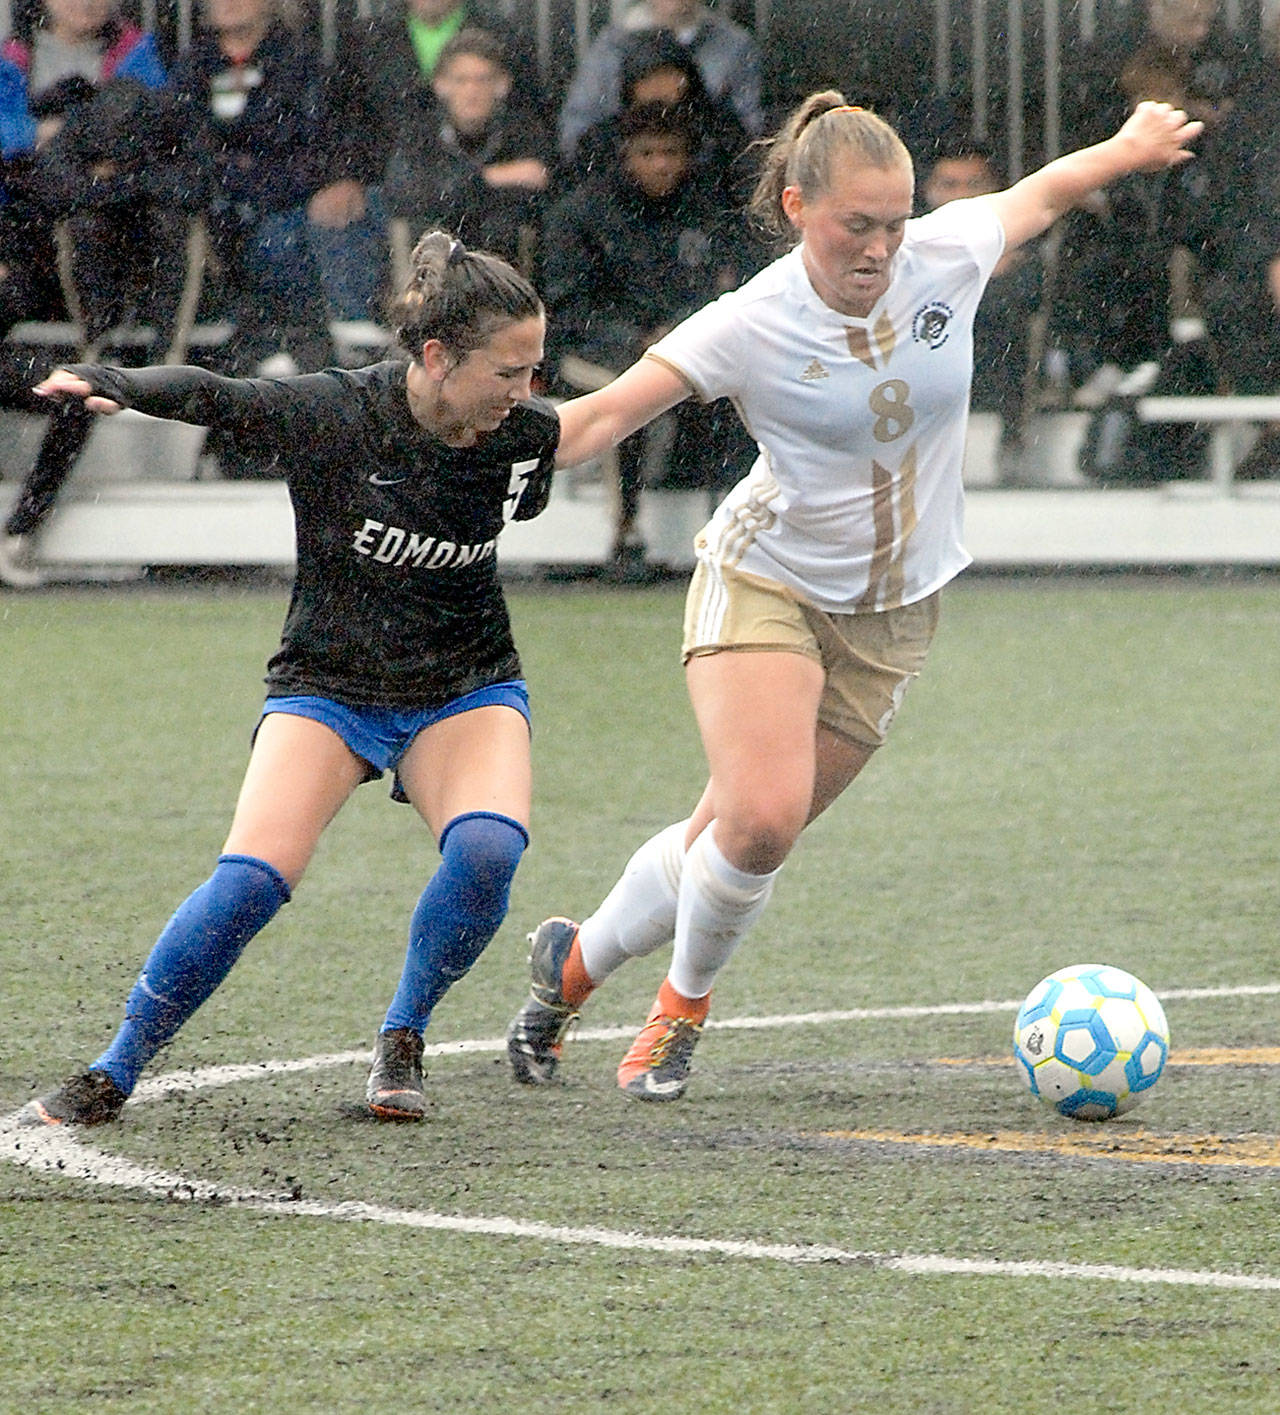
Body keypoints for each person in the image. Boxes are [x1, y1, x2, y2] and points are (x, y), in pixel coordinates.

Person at [505, 92, 1203, 1102]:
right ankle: (678, 1013)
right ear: (795, 206)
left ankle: (566, 969)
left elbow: (1047, 188)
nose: (880, 246)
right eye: (855, 225)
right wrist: (469, 432)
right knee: (760, 819)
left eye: (894, 221)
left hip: (892, 609)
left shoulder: (946, 254)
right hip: (765, 579)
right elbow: (595, 418)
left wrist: (1130, 147)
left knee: (726, 836)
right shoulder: (750, 321)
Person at [20, 231, 557, 1127]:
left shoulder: (524, 433)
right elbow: (216, 394)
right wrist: (113, 384)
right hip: (328, 684)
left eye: (536, 370)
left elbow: (592, 428)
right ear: (436, 355)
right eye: (511, 371)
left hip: (466, 683)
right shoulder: (337, 412)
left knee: (489, 851)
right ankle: (114, 1068)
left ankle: (404, 1034)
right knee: (251, 880)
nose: (528, 391)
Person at [543, 100, 754, 570]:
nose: (660, 164)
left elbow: (726, 287)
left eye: (671, 152)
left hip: (687, 344)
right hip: (594, 353)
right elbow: (567, 305)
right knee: (622, 402)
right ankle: (625, 532)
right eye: (648, 153)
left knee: (745, 392)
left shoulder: (706, 211)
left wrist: (677, 328)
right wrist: (632, 338)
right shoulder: (581, 214)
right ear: (625, 156)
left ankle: (731, 523)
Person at [382, 26, 551, 272]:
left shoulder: (525, 132)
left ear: (502, 85)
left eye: (482, 80)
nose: (472, 91)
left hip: (505, 269)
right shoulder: (418, 133)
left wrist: (457, 189)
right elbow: (406, 195)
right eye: (461, 80)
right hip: (435, 268)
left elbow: (540, 198)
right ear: (440, 85)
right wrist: (490, 178)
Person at [920, 135, 1042, 442]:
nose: (961, 196)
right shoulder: (902, 248)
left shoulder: (1023, 249)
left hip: (996, 373)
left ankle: (1013, 440)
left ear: (994, 190)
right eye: (949, 185)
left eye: (973, 184)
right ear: (928, 191)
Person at [557, 0, 763, 168]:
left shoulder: (734, 45)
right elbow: (577, 128)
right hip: (620, 182)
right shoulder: (611, 44)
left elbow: (749, 131)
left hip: (706, 180)